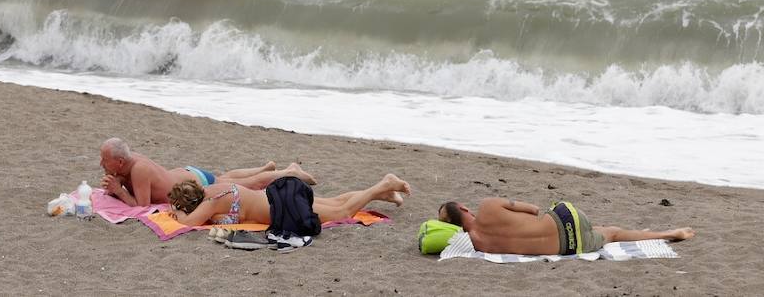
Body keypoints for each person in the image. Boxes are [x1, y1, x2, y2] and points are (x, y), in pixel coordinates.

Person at [98, 137, 316, 206]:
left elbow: (142, 207)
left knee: (252, 185)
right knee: (224, 177)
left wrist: (120, 191)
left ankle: (291, 172)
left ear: (119, 161)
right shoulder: (127, 163)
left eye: (104, 160)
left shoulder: (138, 170)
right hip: (188, 175)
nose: (101, 164)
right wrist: (115, 186)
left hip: (196, 184)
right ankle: (265, 168)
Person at [438, 197, 695, 255]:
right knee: (610, 229)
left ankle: (666, 234)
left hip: (568, 246)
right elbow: (533, 210)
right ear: (463, 209)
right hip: (565, 216)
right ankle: (669, 232)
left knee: (610, 234)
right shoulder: (487, 206)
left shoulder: (478, 245)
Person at [167, 173, 410, 226]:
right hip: (280, 194)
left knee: (342, 213)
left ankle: (384, 184)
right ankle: (380, 193)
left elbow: (187, 223)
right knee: (336, 201)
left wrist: (176, 212)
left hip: (283, 207)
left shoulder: (210, 203)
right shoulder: (213, 188)